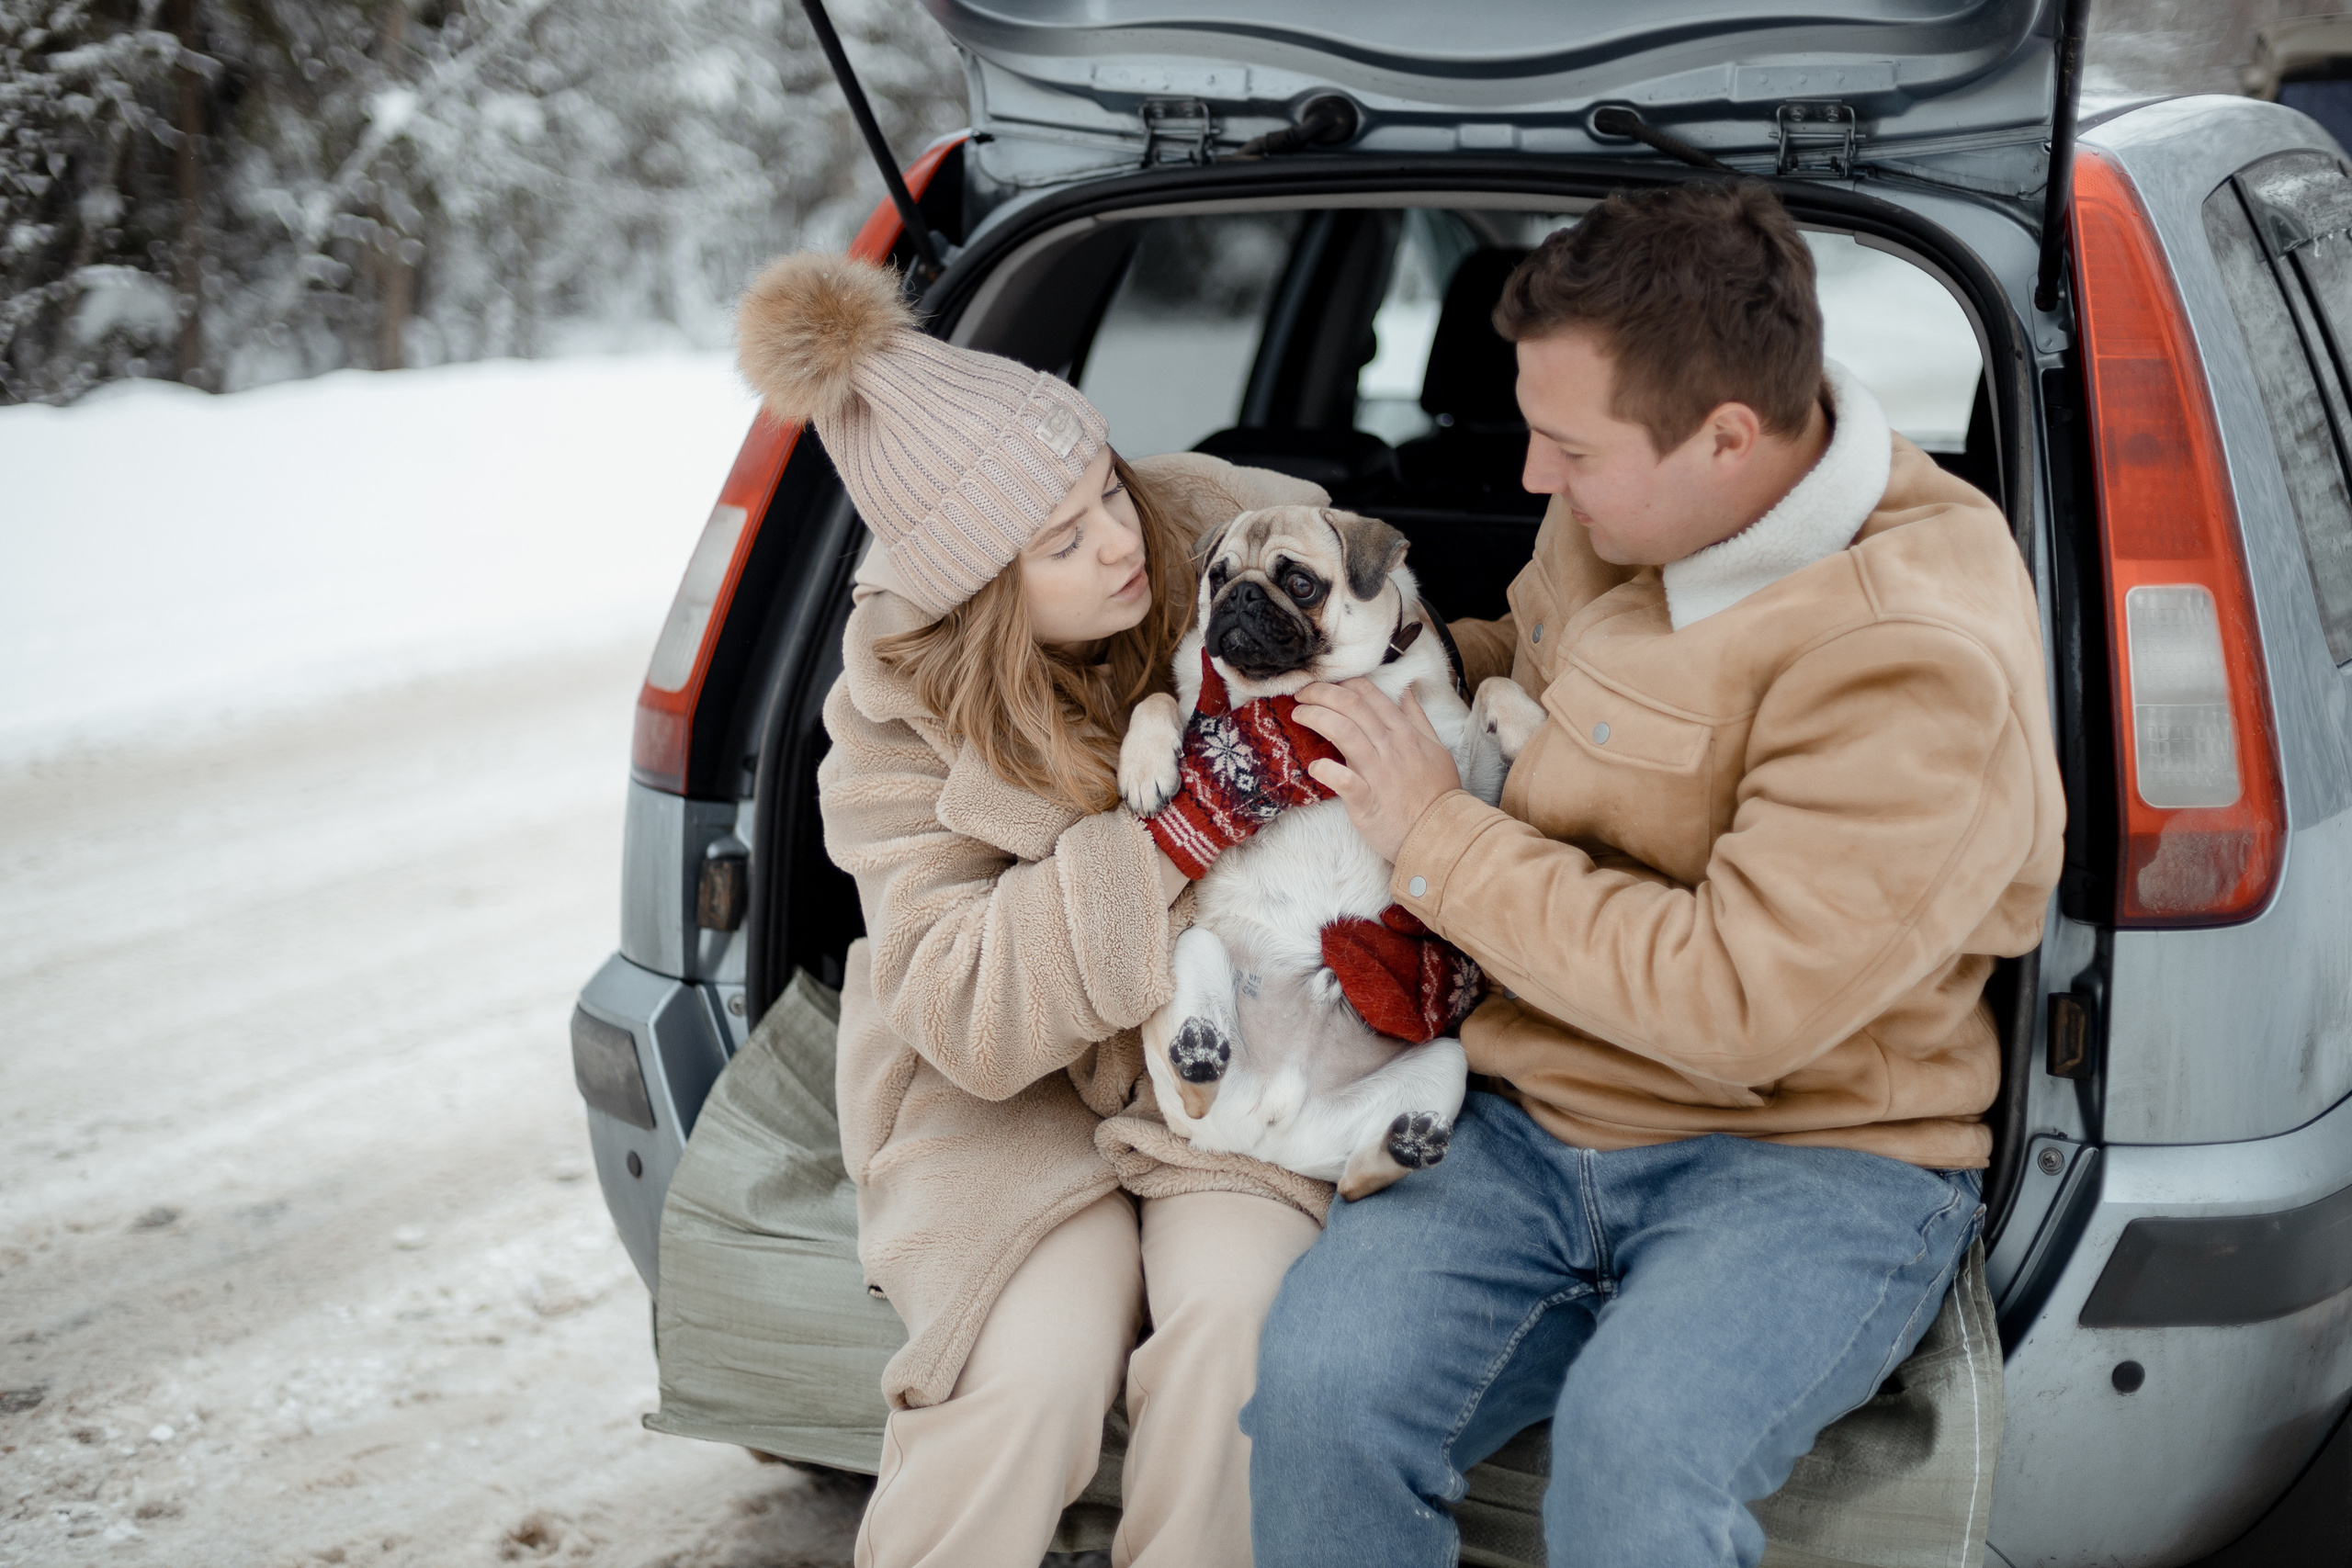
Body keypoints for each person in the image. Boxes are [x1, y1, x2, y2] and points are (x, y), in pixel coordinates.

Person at [1243, 182, 2066, 1566]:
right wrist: (1369, 701)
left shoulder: (1914, 652)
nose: (1528, 482)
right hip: (1522, 1117)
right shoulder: (1631, 511)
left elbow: (1739, 1000)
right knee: (1319, 1398)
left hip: (1810, 1160)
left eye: (1566, 445)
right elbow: (1524, 667)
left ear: (1727, 439)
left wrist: (1432, 831)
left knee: (1638, 1456)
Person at [733, 250, 1337, 1568]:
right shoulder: (891, 722)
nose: (1119, 539)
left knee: (1239, 1334)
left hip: (1232, 1047)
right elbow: (962, 1012)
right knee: (1031, 1374)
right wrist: (1167, 837)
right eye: (1060, 540)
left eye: (1102, 488)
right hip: (998, 1098)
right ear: (976, 590)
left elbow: (1424, 652)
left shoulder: (1223, 532)